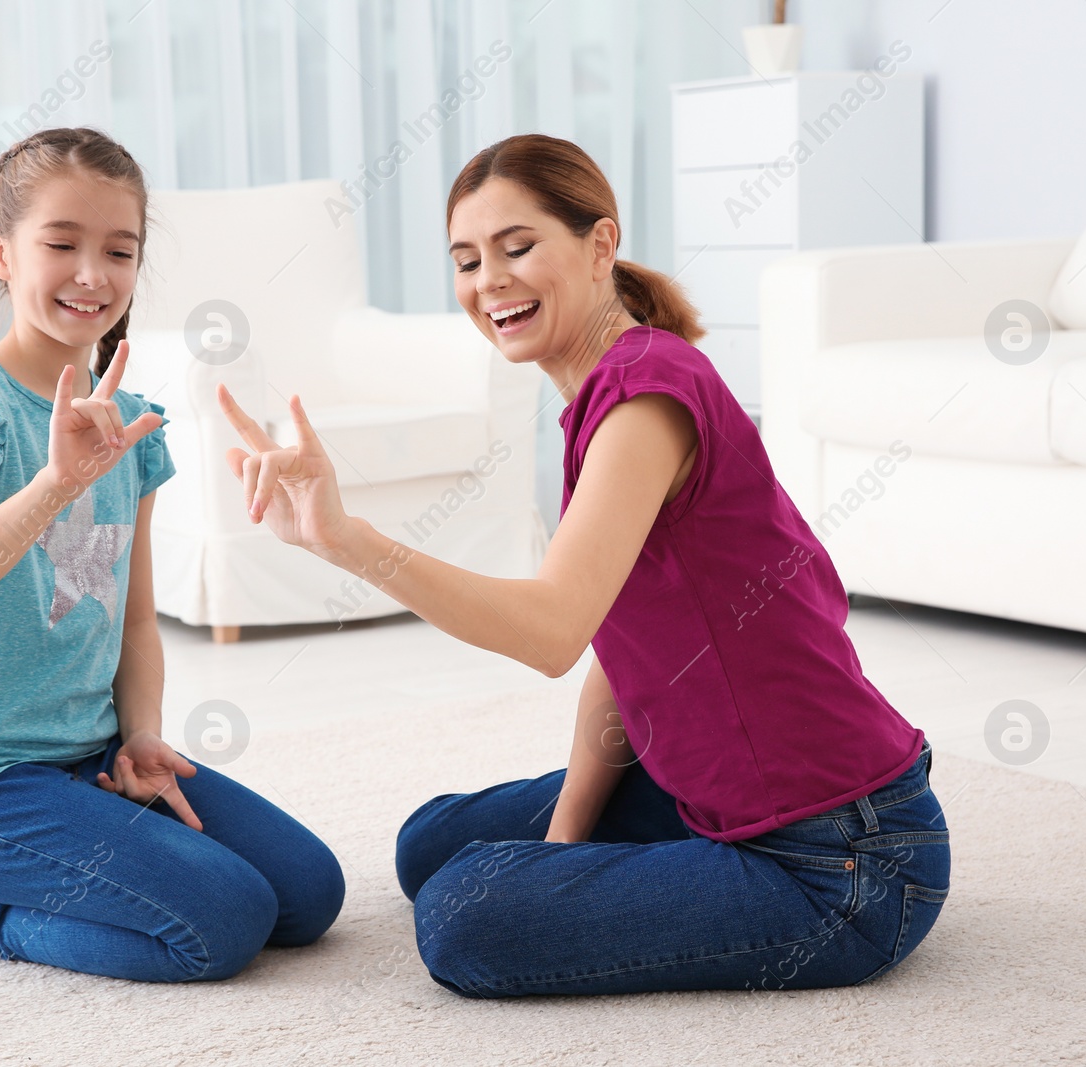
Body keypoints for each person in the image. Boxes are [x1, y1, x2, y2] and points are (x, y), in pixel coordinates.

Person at [217, 133, 949, 999]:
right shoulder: (604, 393)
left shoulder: (643, 398)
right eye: (466, 259)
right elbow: (619, 650)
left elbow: (555, 630)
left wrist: (349, 540)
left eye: (517, 247)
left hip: (842, 860)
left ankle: (695, 883)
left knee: (463, 914)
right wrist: (562, 849)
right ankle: (655, 869)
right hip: (709, 797)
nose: (488, 280)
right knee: (431, 844)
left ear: (601, 245)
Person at [0, 127, 344, 982]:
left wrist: (142, 735)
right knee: (223, 924)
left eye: (120, 250)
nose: (93, 273)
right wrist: (53, 481)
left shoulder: (135, 426)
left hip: (86, 756)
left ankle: (74, 844)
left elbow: (137, 617)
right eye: (62, 243)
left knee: (307, 896)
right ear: (2, 254)